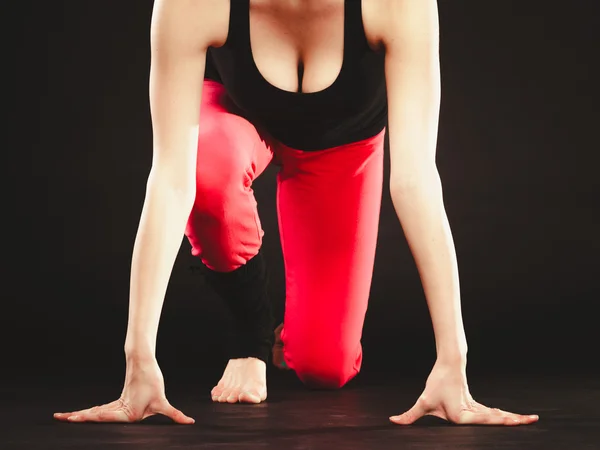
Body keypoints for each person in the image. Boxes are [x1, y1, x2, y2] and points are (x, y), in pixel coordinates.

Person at [54, 0, 539, 426]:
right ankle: (250, 336)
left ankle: (297, 341)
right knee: (206, 171)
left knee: (326, 367)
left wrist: (452, 362)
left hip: (342, 148)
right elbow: (170, 179)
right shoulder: (194, 2)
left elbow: (414, 180)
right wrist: (138, 360)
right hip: (236, 117)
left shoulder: (398, 3)